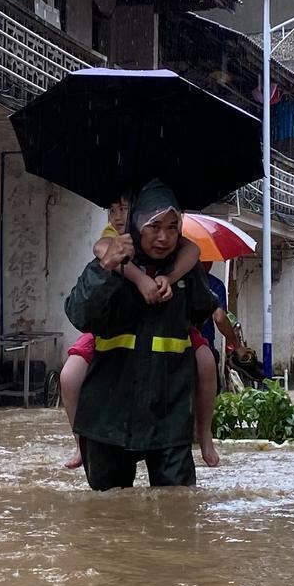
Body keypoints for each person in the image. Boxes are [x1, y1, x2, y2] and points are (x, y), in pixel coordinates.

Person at [64, 180, 218, 491]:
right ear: (136, 225)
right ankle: (79, 446)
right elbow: (79, 315)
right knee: (108, 515)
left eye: (173, 228)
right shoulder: (107, 266)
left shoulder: (185, 273)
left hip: (169, 417)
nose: (163, 237)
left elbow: (203, 310)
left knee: (176, 512)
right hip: (108, 418)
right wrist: (107, 267)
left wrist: (175, 277)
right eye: (154, 226)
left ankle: (206, 438)